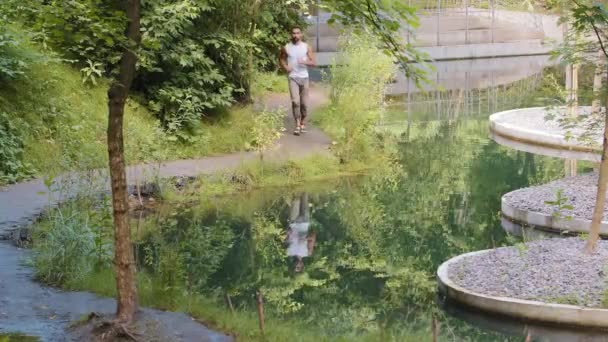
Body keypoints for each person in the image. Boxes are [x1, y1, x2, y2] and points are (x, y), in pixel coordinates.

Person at [279, 26, 316, 136]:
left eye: (297, 33)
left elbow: (313, 62)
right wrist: (285, 67)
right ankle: (298, 124)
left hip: (304, 78)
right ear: (291, 35)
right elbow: (281, 59)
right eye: (293, 33)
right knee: (295, 102)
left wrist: (304, 62)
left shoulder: (306, 47)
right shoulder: (286, 47)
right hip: (293, 77)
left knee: (304, 105)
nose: (295, 35)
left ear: (301, 35)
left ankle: (303, 121)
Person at [286, 192, 316, 273]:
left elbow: (286, 236)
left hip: (294, 222)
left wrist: (288, 233)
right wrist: (305, 238)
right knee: (304, 195)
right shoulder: (308, 253)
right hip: (305, 222)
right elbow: (313, 236)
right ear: (302, 265)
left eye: (295, 267)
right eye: (298, 267)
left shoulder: (288, 252)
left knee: (296, 199)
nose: (297, 265)